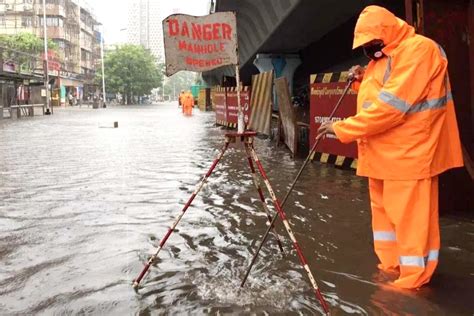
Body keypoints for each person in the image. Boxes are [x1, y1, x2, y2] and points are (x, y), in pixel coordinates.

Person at [317, 5, 463, 289]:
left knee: (411, 225)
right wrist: (361, 80)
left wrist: (343, 128)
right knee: (385, 226)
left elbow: (391, 108)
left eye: (373, 44)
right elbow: (380, 94)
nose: (370, 51)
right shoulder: (384, 57)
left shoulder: (420, 50)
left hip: (410, 156)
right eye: (366, 47)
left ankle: (413, 283)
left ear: (385, 33)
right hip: (382, 157)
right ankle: (390, 270)